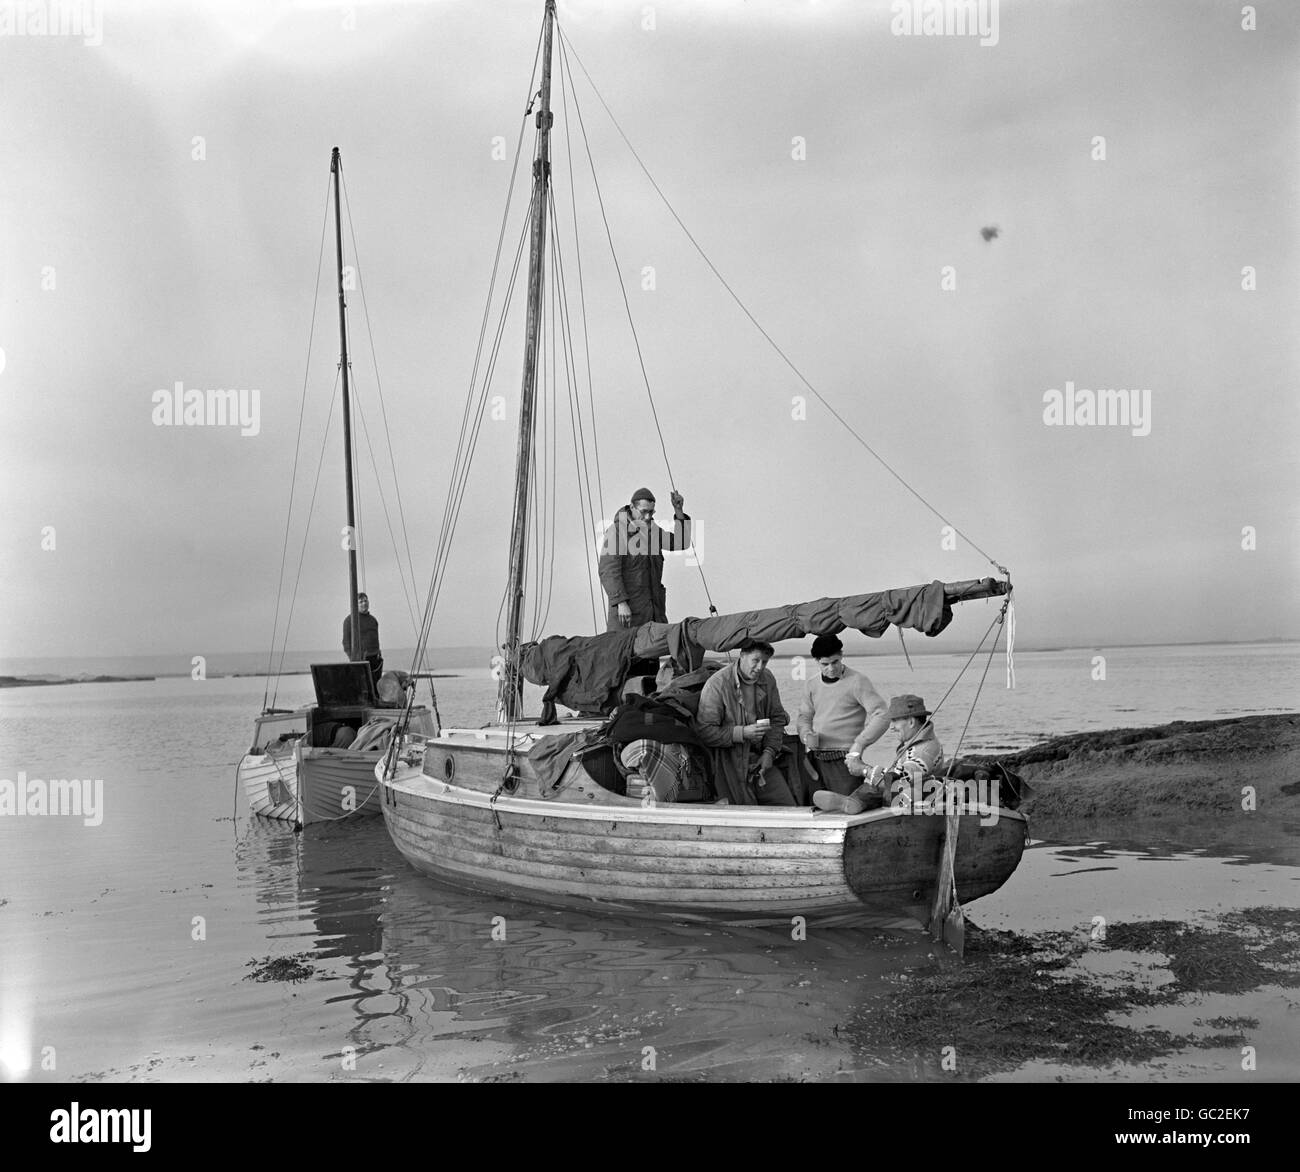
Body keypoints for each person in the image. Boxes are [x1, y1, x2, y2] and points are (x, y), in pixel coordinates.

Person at [694, 638, 797, 806]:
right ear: (742, 656)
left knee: (787, 807)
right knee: (743, 813)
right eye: (755, 660)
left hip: (761, 758)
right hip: (729, 763)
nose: (760, 667)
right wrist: (742, 733)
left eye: (764, 662)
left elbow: (777, 717)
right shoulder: (717, 685)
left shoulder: (767, 678)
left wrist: (770, 752)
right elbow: (705, 732)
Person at [813, 694, 944, 814]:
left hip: (916, 799)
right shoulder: (917, 743)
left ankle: (854, 802)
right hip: (913, 793)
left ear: (911, 722)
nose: (891, 727)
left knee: (878, 785)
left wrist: (864, 770)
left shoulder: (922, 751)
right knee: (874, 784)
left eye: (895, 721)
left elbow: (900, 779)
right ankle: (854, 801)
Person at [795, 633, 889, 797]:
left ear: (841, 656)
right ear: (816, 661)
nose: (831, 668)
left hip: (845, 760)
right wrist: (805, 734)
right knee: (816, 809)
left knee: (846, 809)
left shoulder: (857, 681)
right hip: (815, 759)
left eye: (835, 662)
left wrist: (859, 744)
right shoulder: (811, 684)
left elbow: (882, 715)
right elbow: (804, 716)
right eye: (825, 664)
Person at [598, 487, 692, 632]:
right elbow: (608, 570)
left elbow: (681, 543)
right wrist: (621, 603)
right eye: (643, 512)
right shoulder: (617, 531)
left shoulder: (652, 531)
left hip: (653, 615)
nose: (648, 517)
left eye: (651, 512)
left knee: (652, 652)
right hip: (628, 616)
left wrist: (679, 511)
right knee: (623, 652)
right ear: (632, 508)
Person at [342, 593, 382, 684]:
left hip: (375, 658)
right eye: (361, 602)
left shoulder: (373, 620)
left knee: (376, 685)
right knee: (363, 685)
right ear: (355, 605)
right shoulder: (349, 621)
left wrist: (378, 651)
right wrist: (353, 659)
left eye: (365, 601)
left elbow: (375, 638)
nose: (364, 603)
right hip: (360, 660)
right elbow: (346, 643)